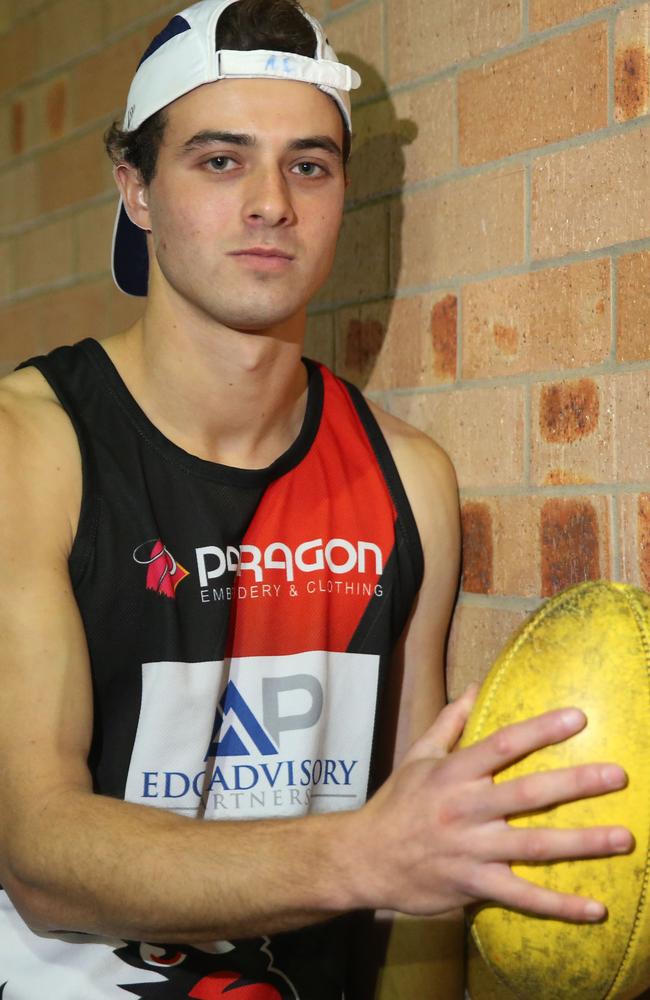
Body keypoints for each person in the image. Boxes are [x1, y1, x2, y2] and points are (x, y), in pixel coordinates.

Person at [0, 0, 633, 997]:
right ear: (135, 191)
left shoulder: (404, 478)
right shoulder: (30, 449)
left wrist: (394, 866)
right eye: (218, 160)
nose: (270, 203)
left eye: (308, 165)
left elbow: (416, 879)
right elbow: (36, 850)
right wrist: (359, 855)